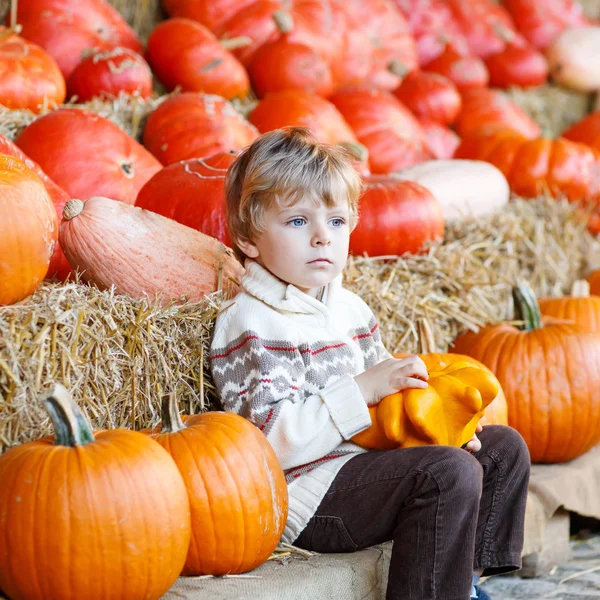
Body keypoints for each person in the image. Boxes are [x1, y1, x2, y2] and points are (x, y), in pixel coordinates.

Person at [209, 127, 530, 600]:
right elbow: (266, 445)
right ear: (248, 239)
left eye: (336, 222)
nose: (321, 237)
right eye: (298, 222)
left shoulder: (350, 309)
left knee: (500, 448)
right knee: (447, 473)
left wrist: (441, 419)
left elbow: (390, 401)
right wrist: (358, 390)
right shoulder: (251, 322)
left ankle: (464, 584)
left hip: (367, 468)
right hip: (306, 497)